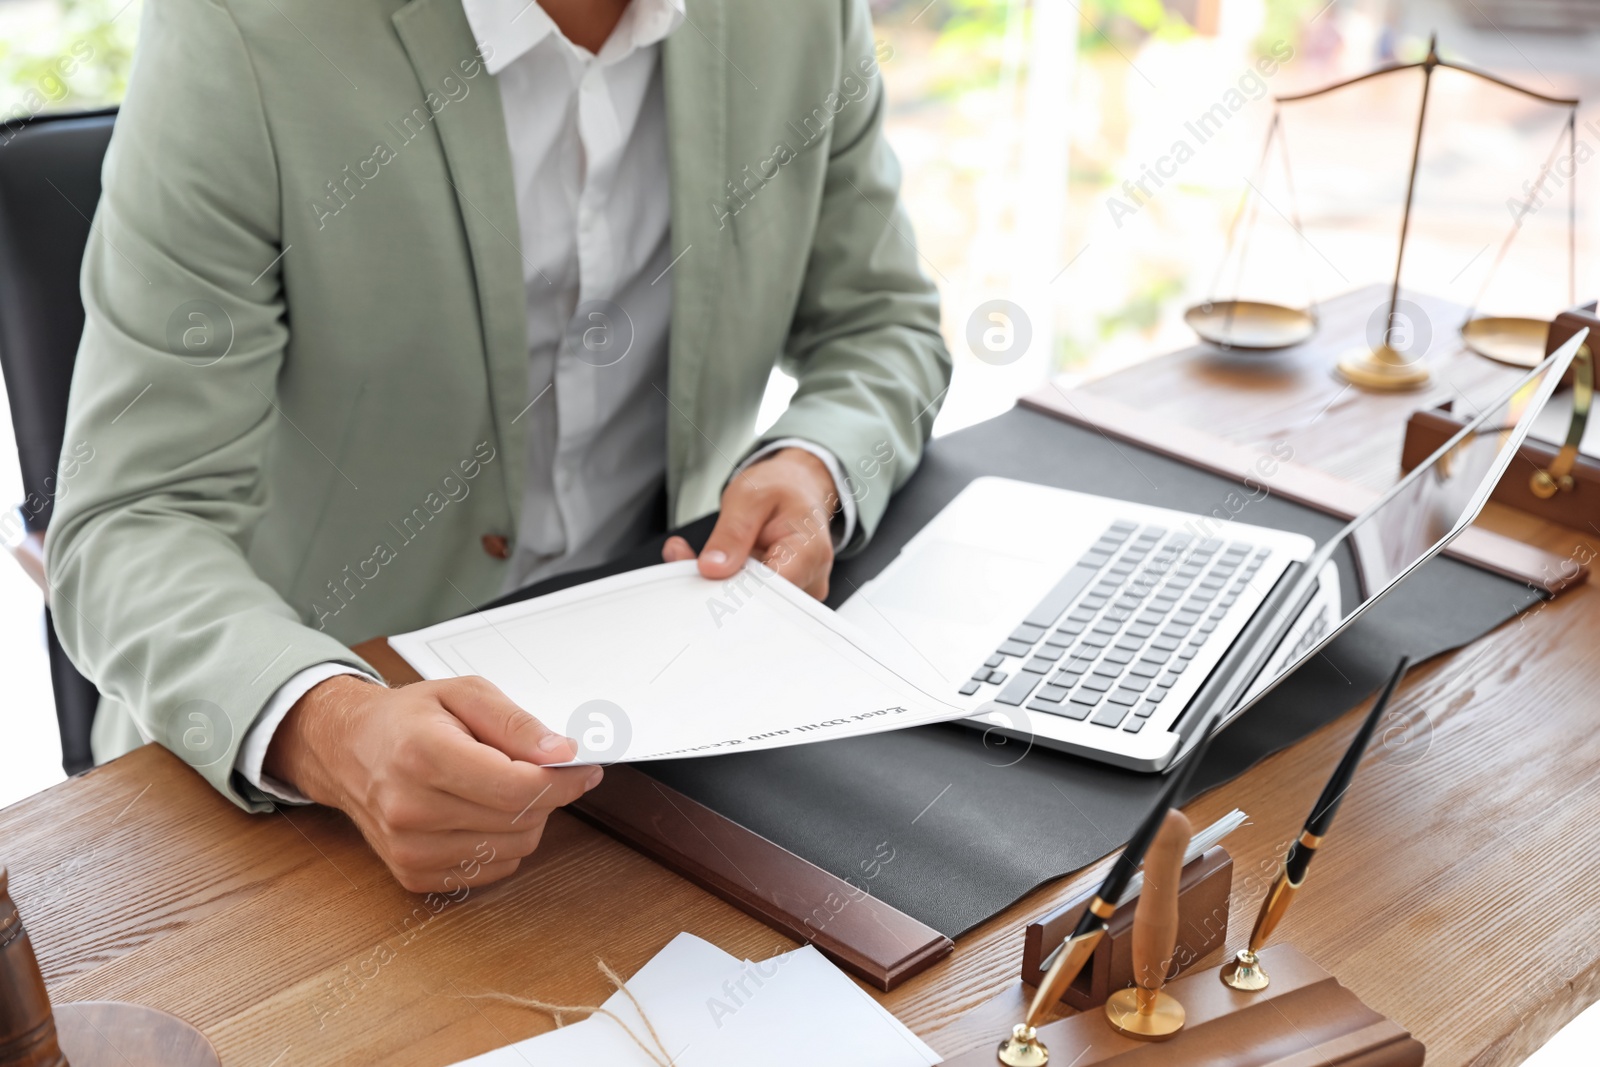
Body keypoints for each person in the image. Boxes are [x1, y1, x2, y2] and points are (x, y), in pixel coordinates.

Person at [46, 0, 949, 893]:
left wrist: (815, 462)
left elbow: (885, 325)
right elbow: (131, 518)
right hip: (303, 778)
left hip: (663, 721)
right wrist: (332, 727)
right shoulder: (237, 29)